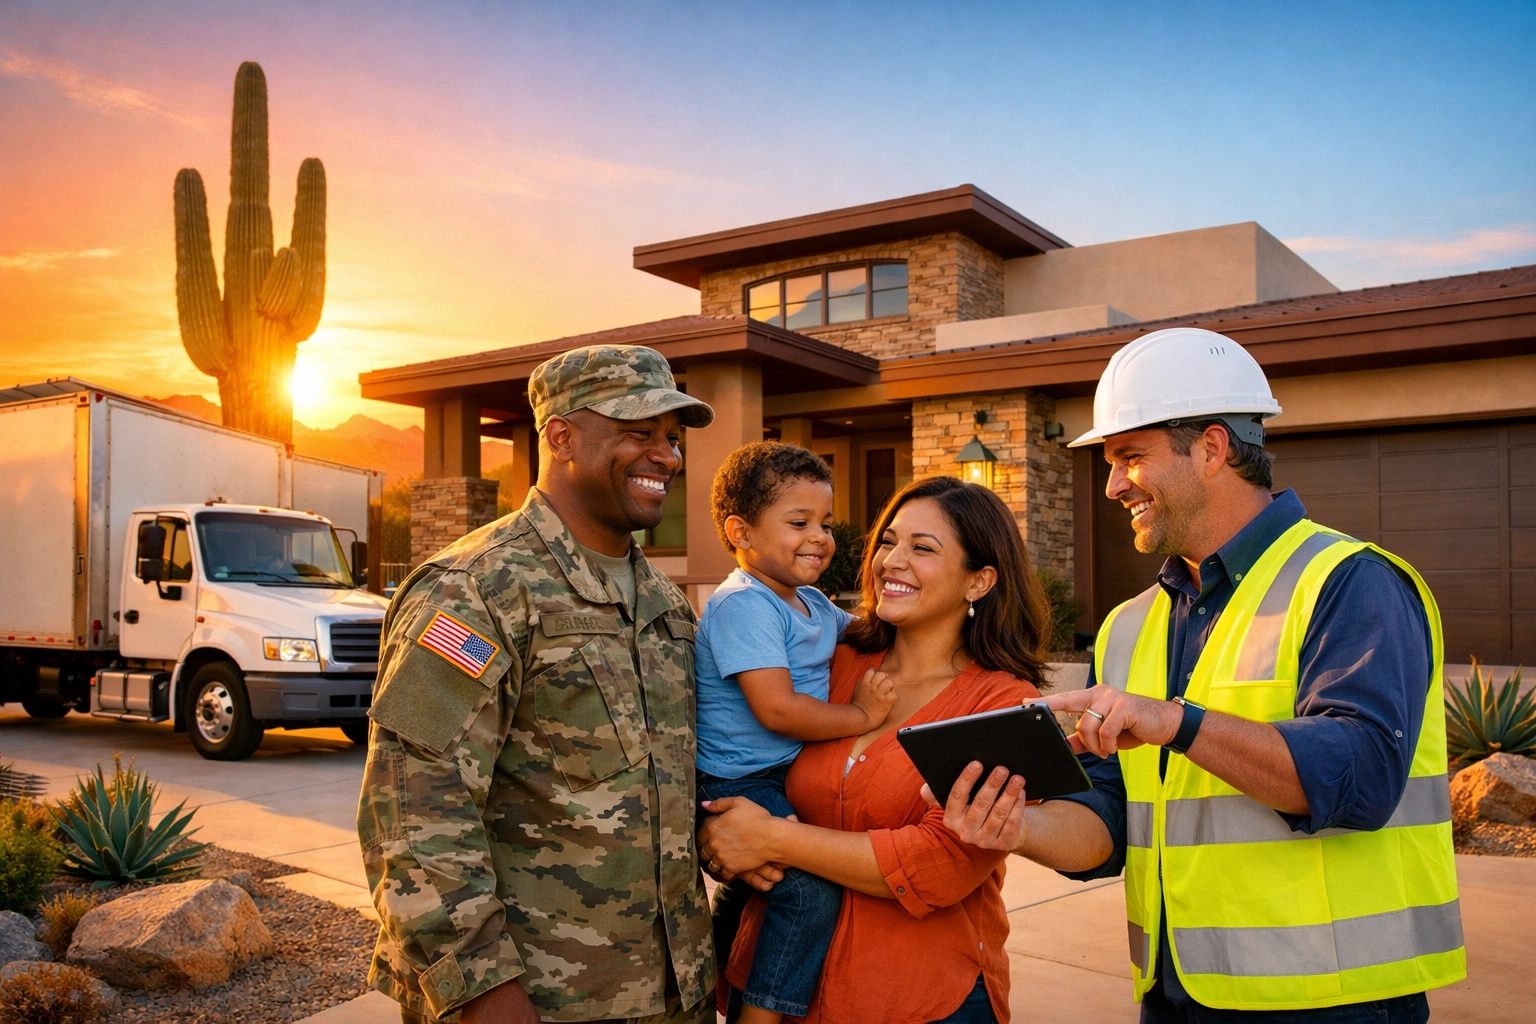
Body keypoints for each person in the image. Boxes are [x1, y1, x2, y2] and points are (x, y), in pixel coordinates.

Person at [933, 327, 1464, 1024]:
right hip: (1178, 993)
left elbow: (1360, 777)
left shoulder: (1348, 582)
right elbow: (1112, 816)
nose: (1113, 484)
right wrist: (1016, 827)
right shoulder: (1128, 626)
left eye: (1129, 457)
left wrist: (1173, 721)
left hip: (1335, 999)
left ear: (1212, 448)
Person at [357, 345, 718, 1024]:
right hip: (538, 1004)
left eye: (672, 438)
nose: (667, 457)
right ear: (561, 437)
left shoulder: (665, 604)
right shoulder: (476, 588)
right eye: (639, 432)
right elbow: (412, 808)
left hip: (675, 996)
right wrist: (483, 994)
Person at [699, 476, 1055, 1024]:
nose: (892, 561)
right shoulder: (832, 663)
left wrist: (771, 838)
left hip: (916, 999)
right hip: (774, 991)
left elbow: (940, 863)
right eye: (888, 542)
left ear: (979, 581)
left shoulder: (1001, 703)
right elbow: (741, 753)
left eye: (923, 548)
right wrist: (722, 841)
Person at [694, 441, 898, 1024]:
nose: (820, 536)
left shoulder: (807, 600)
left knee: (761, 885)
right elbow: (777, 710)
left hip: (783, 772)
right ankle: (761, 1015)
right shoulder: (744, 605)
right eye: (799, 522)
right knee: (807, 892)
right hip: (738, 779)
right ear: (742, 532)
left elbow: (865, 633)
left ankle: (719, 979)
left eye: (826, 523)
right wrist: (860, 717)